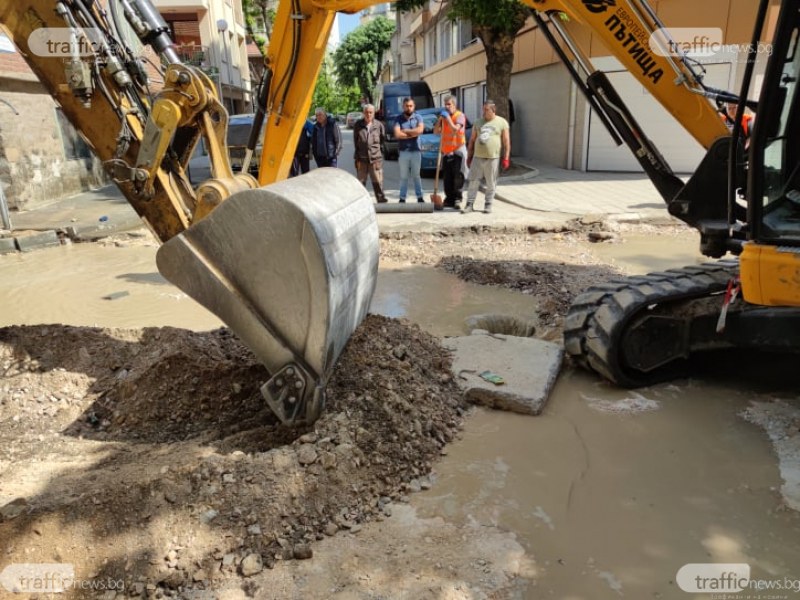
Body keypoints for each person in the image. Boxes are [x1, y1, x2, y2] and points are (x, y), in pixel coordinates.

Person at [462, 100, 511, 214]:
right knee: (473, 181)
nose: (484, 112)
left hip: (493, 158)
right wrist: (469, 156)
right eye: (483, 109)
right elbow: (472, 140)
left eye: (486, 109)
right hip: (477, 157)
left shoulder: (501, 122)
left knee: (491, 182)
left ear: (493, 110)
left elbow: (506, 141)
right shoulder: (478, 122)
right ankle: (469, 204)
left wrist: (506, 158)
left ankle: (488, 204)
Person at [434, 94, 468, 209]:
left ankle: (458, 199)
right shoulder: (444, 118)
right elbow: (435, 132)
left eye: (449, 104)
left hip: (458, 150)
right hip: (447, 151)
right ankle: (449, 199)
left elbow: (455, 129)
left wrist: (447, 119)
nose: (447, 107)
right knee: (447, 177)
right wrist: (440, 120)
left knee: (458, 176)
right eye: (445, 104)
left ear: (454, 105)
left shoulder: (460, 116)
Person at [353, 104, 388, 203]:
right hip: (362, 159)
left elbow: (382, 140)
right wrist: (358, 156)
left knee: (378, 181)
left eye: (370, 112)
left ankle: (380, 200)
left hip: (375, 159)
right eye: (366, 112)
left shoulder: (379, 125)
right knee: (361, 182)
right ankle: (360, 202)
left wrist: (375, 151)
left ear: (373, 113)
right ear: (363, 113)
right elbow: (356, 141)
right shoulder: (358, 125)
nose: (368, 114)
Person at [393, 97, 425, 203]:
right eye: (407, 106)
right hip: (403, 152)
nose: (409, 108)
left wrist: (406, 131)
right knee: (404, 176)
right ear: (403, 106)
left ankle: (420, 197)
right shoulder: (398, 119)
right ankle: (402, 198)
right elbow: (397, 134)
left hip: (416, 151)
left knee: (416, 175)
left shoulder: (418, 117)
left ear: (414, 106)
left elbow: (420, 130)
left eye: (411, 106)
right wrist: (413, 134)